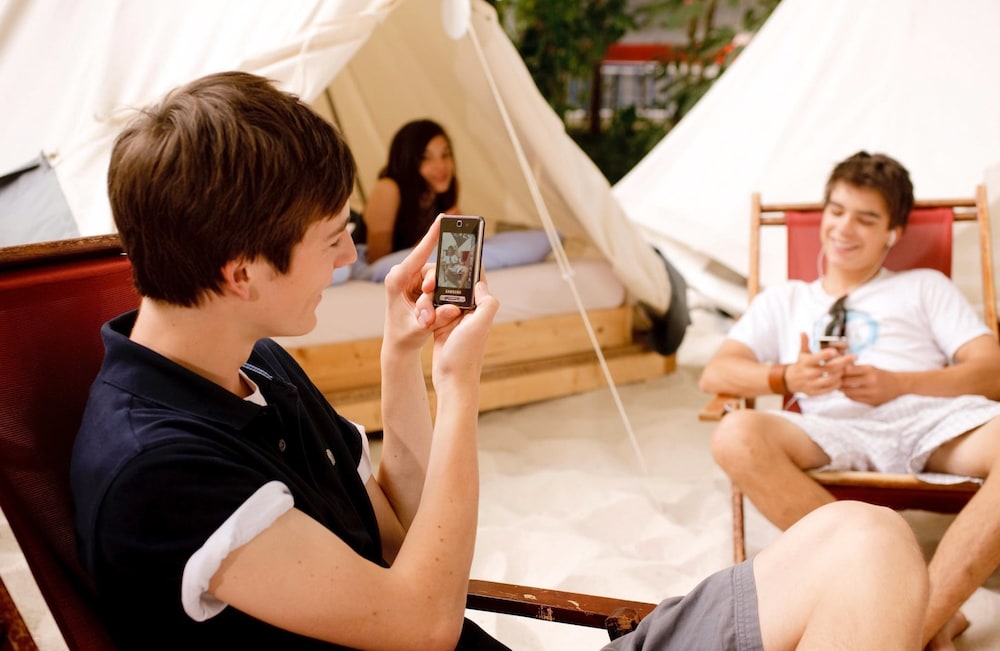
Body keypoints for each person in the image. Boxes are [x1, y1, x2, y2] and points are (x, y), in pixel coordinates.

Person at [71, 73, 929, 650]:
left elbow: (396, 531)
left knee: (868, 537)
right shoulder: (164, 472)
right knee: (865, 558)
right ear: (240, 272)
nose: (346, 259)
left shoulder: (247, 364)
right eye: (332, 238)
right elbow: (423, 618)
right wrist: (461, 383)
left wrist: (402, 358)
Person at [700, 150, 1000, 650]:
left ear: (893, 232)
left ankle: (918, 620)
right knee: (734, 434)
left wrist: (898, 384)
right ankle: (928, 610)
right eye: (836, 211)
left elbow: (991, 371)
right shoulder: (786, 299)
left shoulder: (924, 287)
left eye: (867, 218)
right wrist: (786, 375)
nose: (844, 228)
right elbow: (717, 372)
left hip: (929, 422)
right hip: (830, 430)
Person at [364, 118, 459, 264]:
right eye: (426, 158)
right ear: (407, 160)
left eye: (445, 155)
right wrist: (435, 235)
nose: (441, 166)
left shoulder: (448, 187)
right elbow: (377, 260)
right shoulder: (388, 189)